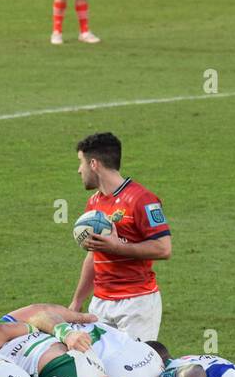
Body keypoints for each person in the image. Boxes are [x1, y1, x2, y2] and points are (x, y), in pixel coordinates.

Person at [68, 132, 171, 339]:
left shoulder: (142, 199)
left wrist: (117, 247)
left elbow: (164, 248)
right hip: (100, 303)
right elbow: (93, 257)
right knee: (96, 367)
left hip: (136, 303)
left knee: (135, 369)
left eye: (81, 163)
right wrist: (77, 303)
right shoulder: (94, 203)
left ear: (94, 164)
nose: (79, 170)